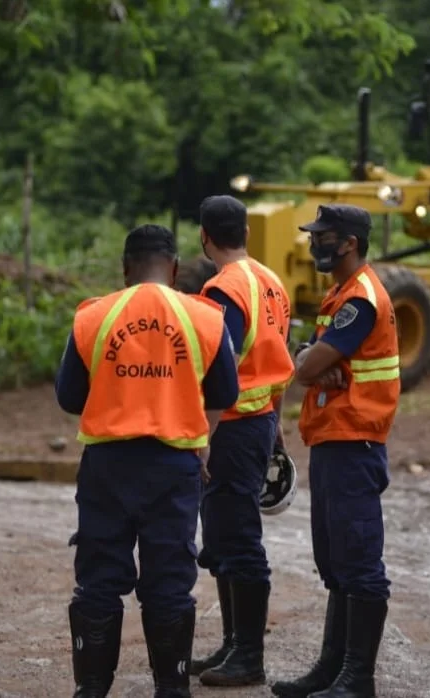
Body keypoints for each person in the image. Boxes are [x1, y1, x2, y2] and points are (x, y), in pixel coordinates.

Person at [55, 223, 240, 698]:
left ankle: (92, 689)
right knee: (169, 581)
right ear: (176, 269)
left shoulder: (93, 316)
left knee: (98, 578)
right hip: (173, 468)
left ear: (124, 268)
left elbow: (69, 396)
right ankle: (171, 688)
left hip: (107, 467)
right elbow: (225, 392)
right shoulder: (204, 318)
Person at [271, 204, 400, 698]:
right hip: (331, 439)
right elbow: (306, 359)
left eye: (322, 236)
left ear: (349, 242)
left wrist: (309, 361)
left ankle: (357, 678)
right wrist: (309, 359)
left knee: (359, 560)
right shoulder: (340, 294)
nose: (313, 243)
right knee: (335, 559)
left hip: (354, 441)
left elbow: (303, 366)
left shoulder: (361, 298)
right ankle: (332, 668)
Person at [189, 195, 295, 688]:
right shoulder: (272, 283)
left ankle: (247, 655)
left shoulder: (222, 290)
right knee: (227, 535)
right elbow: (277, 361)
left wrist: (201, 435)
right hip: (258, 422)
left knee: (238, 538)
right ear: (247, 233)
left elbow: (219, 368)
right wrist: (275, 424)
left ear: (204, 237)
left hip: (229, 427)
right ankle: (234, 645)